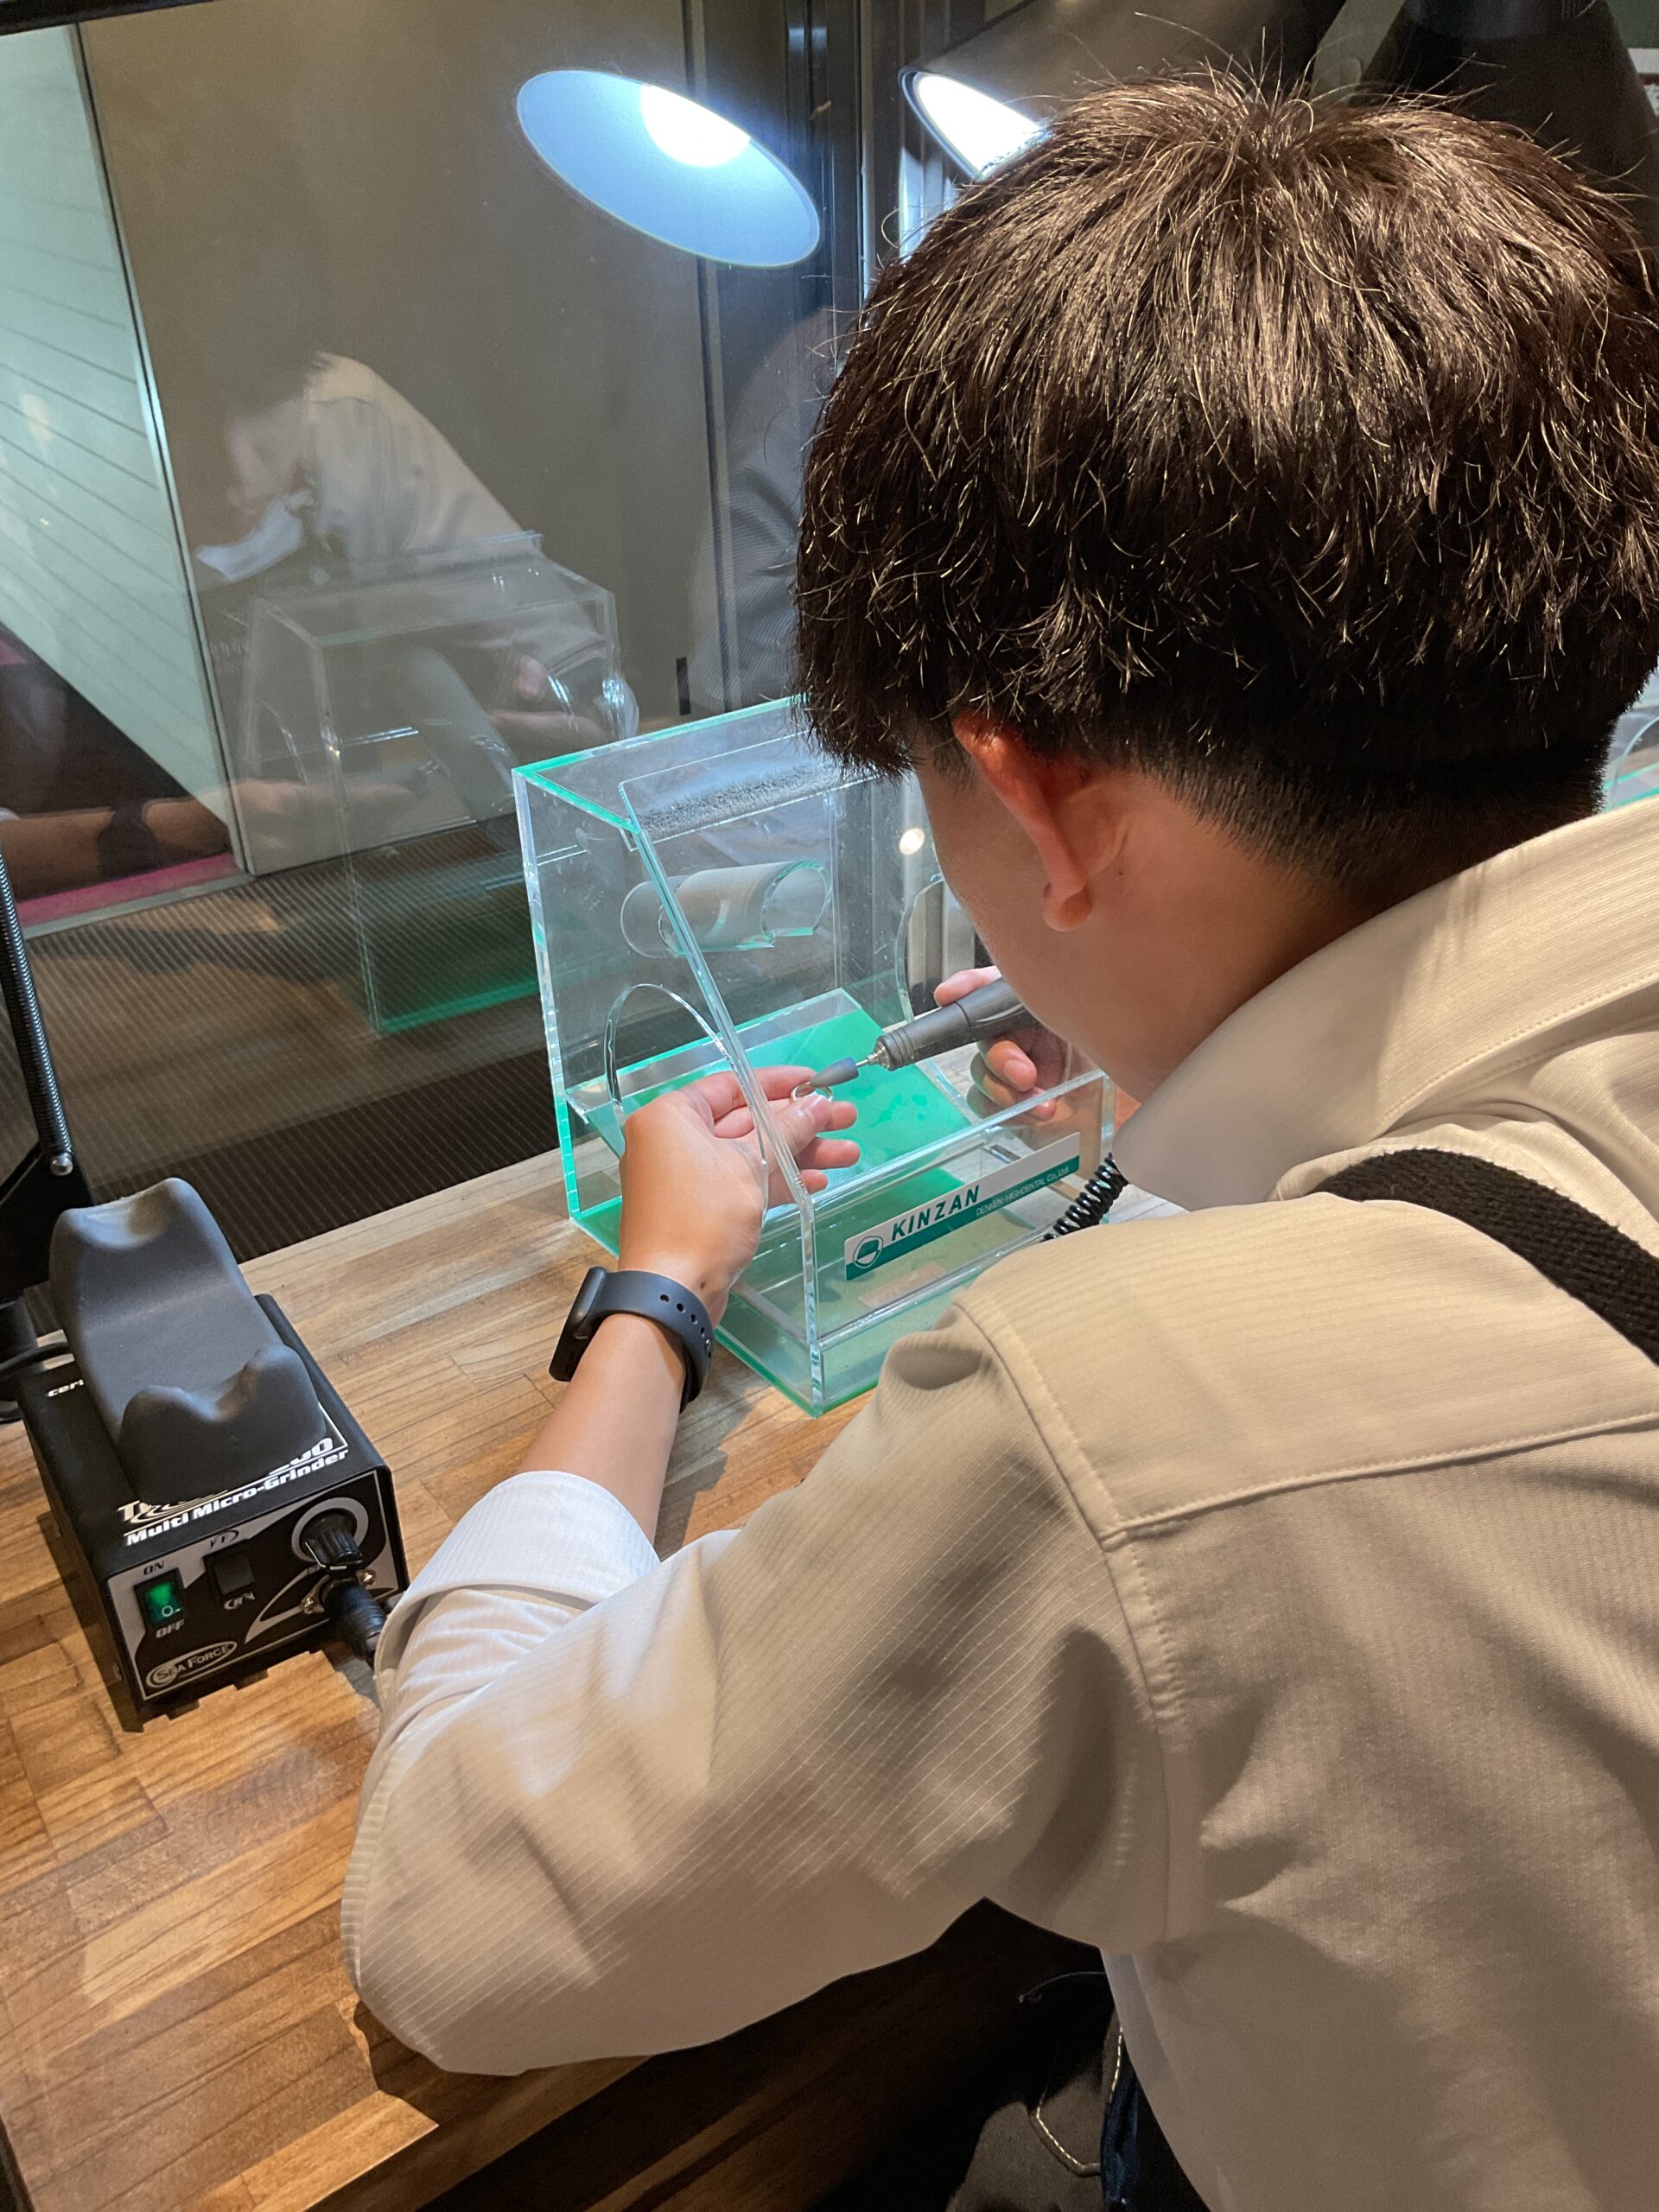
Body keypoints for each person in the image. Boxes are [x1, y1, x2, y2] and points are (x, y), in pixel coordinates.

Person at [342, 79, 1659, 2212]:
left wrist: (652, 1296)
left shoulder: (1126, 1420)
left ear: (1031, 797)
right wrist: (1174, 1082)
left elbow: (451, 1902)